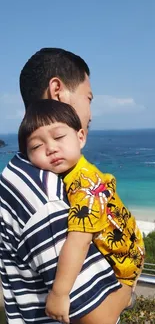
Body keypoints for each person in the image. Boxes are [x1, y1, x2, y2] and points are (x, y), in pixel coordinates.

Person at [0, 48, 132, 324]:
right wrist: (128, 290)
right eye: (89, 99)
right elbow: (100, 319)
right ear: (58, 90)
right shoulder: (44, 195)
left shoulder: (30, 172)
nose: (91, 113)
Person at [18, 99, 145, 323]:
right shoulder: (75, 172)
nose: (51, 148)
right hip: (131, 245)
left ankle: (126, 299)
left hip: (124, 261)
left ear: (81, 137)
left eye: (58, 137)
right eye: (37, 146)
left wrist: (59, 293)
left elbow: (79, 241)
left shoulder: (84, 185)